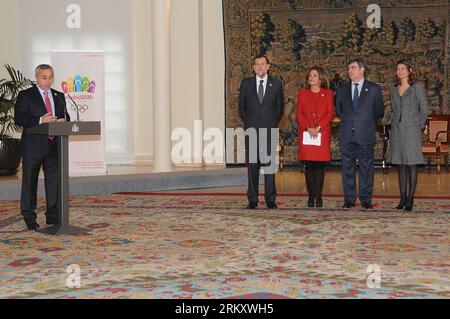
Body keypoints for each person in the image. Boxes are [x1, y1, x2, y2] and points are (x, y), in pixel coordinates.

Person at [14, 64, 69, 230]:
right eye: (44, 77)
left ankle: (53, 216)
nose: (48, 81)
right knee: (30, 184)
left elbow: (66, 115)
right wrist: (40, 120)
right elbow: (19, 118)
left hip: (54, 146)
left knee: (54, 183)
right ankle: (30, 218)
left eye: (51, 77)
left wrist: (62, 121)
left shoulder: (58, 95)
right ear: (37, 77)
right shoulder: (26, 95)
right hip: (33, 146)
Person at [335, 58, 384, 209]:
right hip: (347, 133)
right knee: (347, 168)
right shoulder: (342, 89)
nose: (350, 70)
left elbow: (378, 111)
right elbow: (339, 110)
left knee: (366, 168)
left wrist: (364, 122)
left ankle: (365, 199)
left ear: (362, 70)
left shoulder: (374, 89)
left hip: (365, 133)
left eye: (353, 67)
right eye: (349, 68)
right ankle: (349, 199)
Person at [238, 55, 284, 209]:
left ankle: (270, 199)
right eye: (257, 64)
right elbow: (241, 107)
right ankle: (253, 199)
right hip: (251, 130)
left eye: (262, 64)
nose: (259, 67)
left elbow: (280, 108)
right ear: (253, 67)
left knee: (270, 166)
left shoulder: (276, 84)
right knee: (252, 165)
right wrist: (250, 123)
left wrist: (271, 123)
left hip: (269, 129)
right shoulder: (246, 84)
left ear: (268, 66)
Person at [388, 60, 428, 211]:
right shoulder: (393, 88)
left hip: (412, 129)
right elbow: (393, 109)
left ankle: (410, 198)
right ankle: (402, 197)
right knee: (400, 164)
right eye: (398, 69)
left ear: (409, 70)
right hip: (397, 130)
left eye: (403, 68)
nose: (400, 71)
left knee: (411, 164)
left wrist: (420, 126)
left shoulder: (416, 87)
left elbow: (424, 108)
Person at [296, 66, 334, 207]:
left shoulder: (328, 93)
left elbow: (330, 114)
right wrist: (308, 127)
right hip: (306, 133)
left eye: (314, 75)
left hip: (321, 134)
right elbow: (299, 114)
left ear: (321, 79)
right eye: (310, 75)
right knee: (309, 165)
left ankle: (318, 196)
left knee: (319, 166)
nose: (311, 78)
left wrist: (318, 128)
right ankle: (311, 196)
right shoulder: (303, 93)